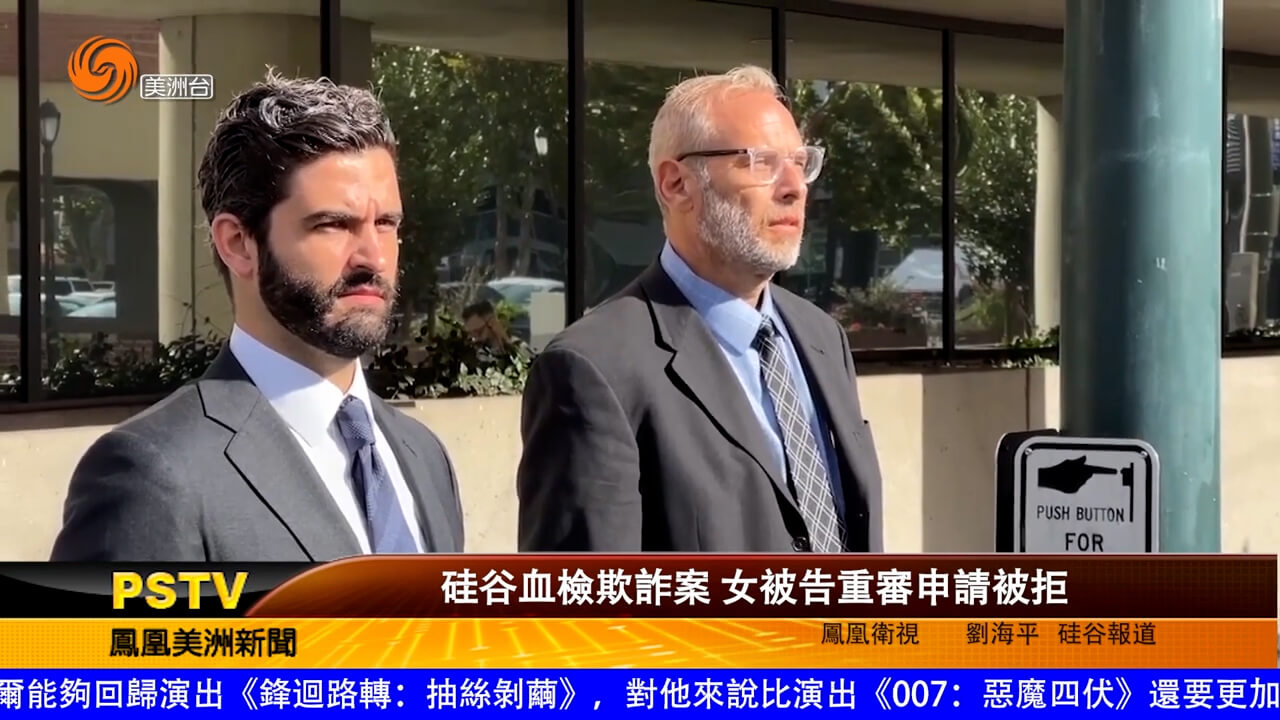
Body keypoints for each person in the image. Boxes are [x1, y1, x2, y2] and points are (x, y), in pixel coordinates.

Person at [51, 73, 465, 561]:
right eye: (333, 224)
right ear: (238, 244)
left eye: (386, 223)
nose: (373, 257)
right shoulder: (152, 475)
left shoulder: (423, 456)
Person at [517, 65, 883, 553]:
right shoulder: (593, 370)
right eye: (761, 162)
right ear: (676, 184)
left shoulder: (821, 337)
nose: (794, 186)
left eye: (801, 162)